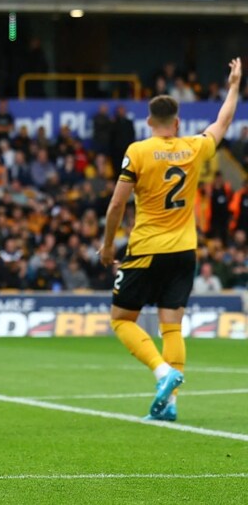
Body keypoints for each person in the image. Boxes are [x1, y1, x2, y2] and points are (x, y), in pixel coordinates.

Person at [99, 57, 242, 423]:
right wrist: (233, 87)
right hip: (184, 251)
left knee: (121, 319)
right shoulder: (193, 147)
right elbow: (223, 122)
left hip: (147, 248)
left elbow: (116, 204)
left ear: (149, 122)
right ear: (177, 123)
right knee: (172, 326)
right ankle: (171, 403)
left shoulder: (138, 151)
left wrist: (108, 245)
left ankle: (163, 373)